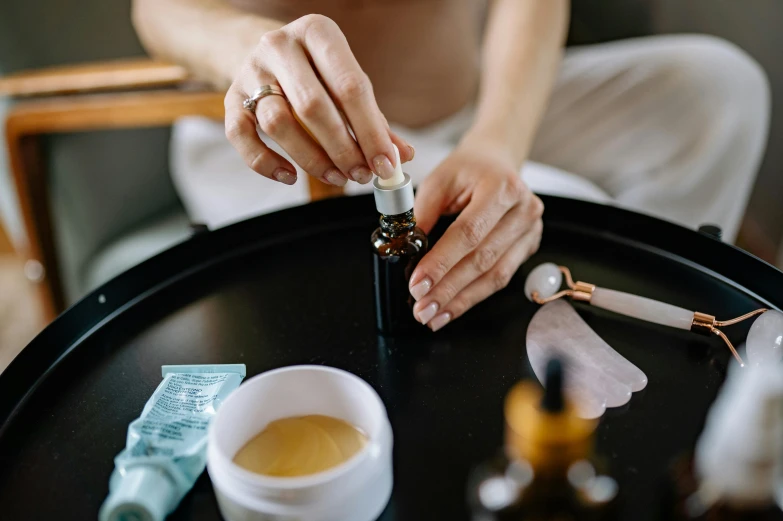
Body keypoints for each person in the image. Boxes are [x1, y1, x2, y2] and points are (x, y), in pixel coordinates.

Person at [132, 0, 769, 332]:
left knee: (720, 92)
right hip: (290, 131)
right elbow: (157, 9)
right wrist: (248, 49)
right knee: (559, 215)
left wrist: (498, 141)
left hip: (476, 99)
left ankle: (637, 323)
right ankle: (579, 347)